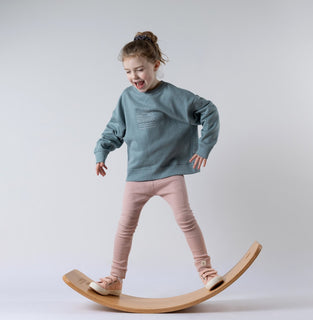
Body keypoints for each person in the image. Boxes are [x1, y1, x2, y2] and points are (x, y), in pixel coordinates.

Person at [89, 31, 223, 296]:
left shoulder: (173, 95)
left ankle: (207, 272)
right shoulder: (126, 98)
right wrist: (101, 153)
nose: (134, 77)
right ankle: (115, 279)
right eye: (128, 71)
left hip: (170, 173)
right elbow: (115, 129)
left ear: (156, 65)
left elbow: (209, 110)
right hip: (137, 175)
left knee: (185, 219)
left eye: (140, 70)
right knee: (125, 226)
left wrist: (205, 146)